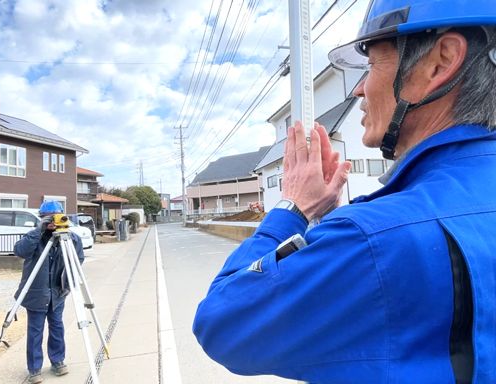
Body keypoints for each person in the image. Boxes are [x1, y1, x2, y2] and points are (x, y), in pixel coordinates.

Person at [193, 0, 496, 383]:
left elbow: (221, 324)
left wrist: (293, 207)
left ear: (440, 62)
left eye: (371, 66)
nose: (357, 90)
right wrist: (336, 226)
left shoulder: (372, 238)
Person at [14, 201, 84, 384]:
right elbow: (20, 251)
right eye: (48, 217)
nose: (53, 221)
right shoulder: (34, 236)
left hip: (57, 293)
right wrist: (39, 230)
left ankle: (58, 360)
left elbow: (78, 260)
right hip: (37, 294)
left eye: (56, 216)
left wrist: (68, 284)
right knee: (35, 331)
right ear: (41, 217)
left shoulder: (70, 238)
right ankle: (34, 369)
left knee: (57, 328)